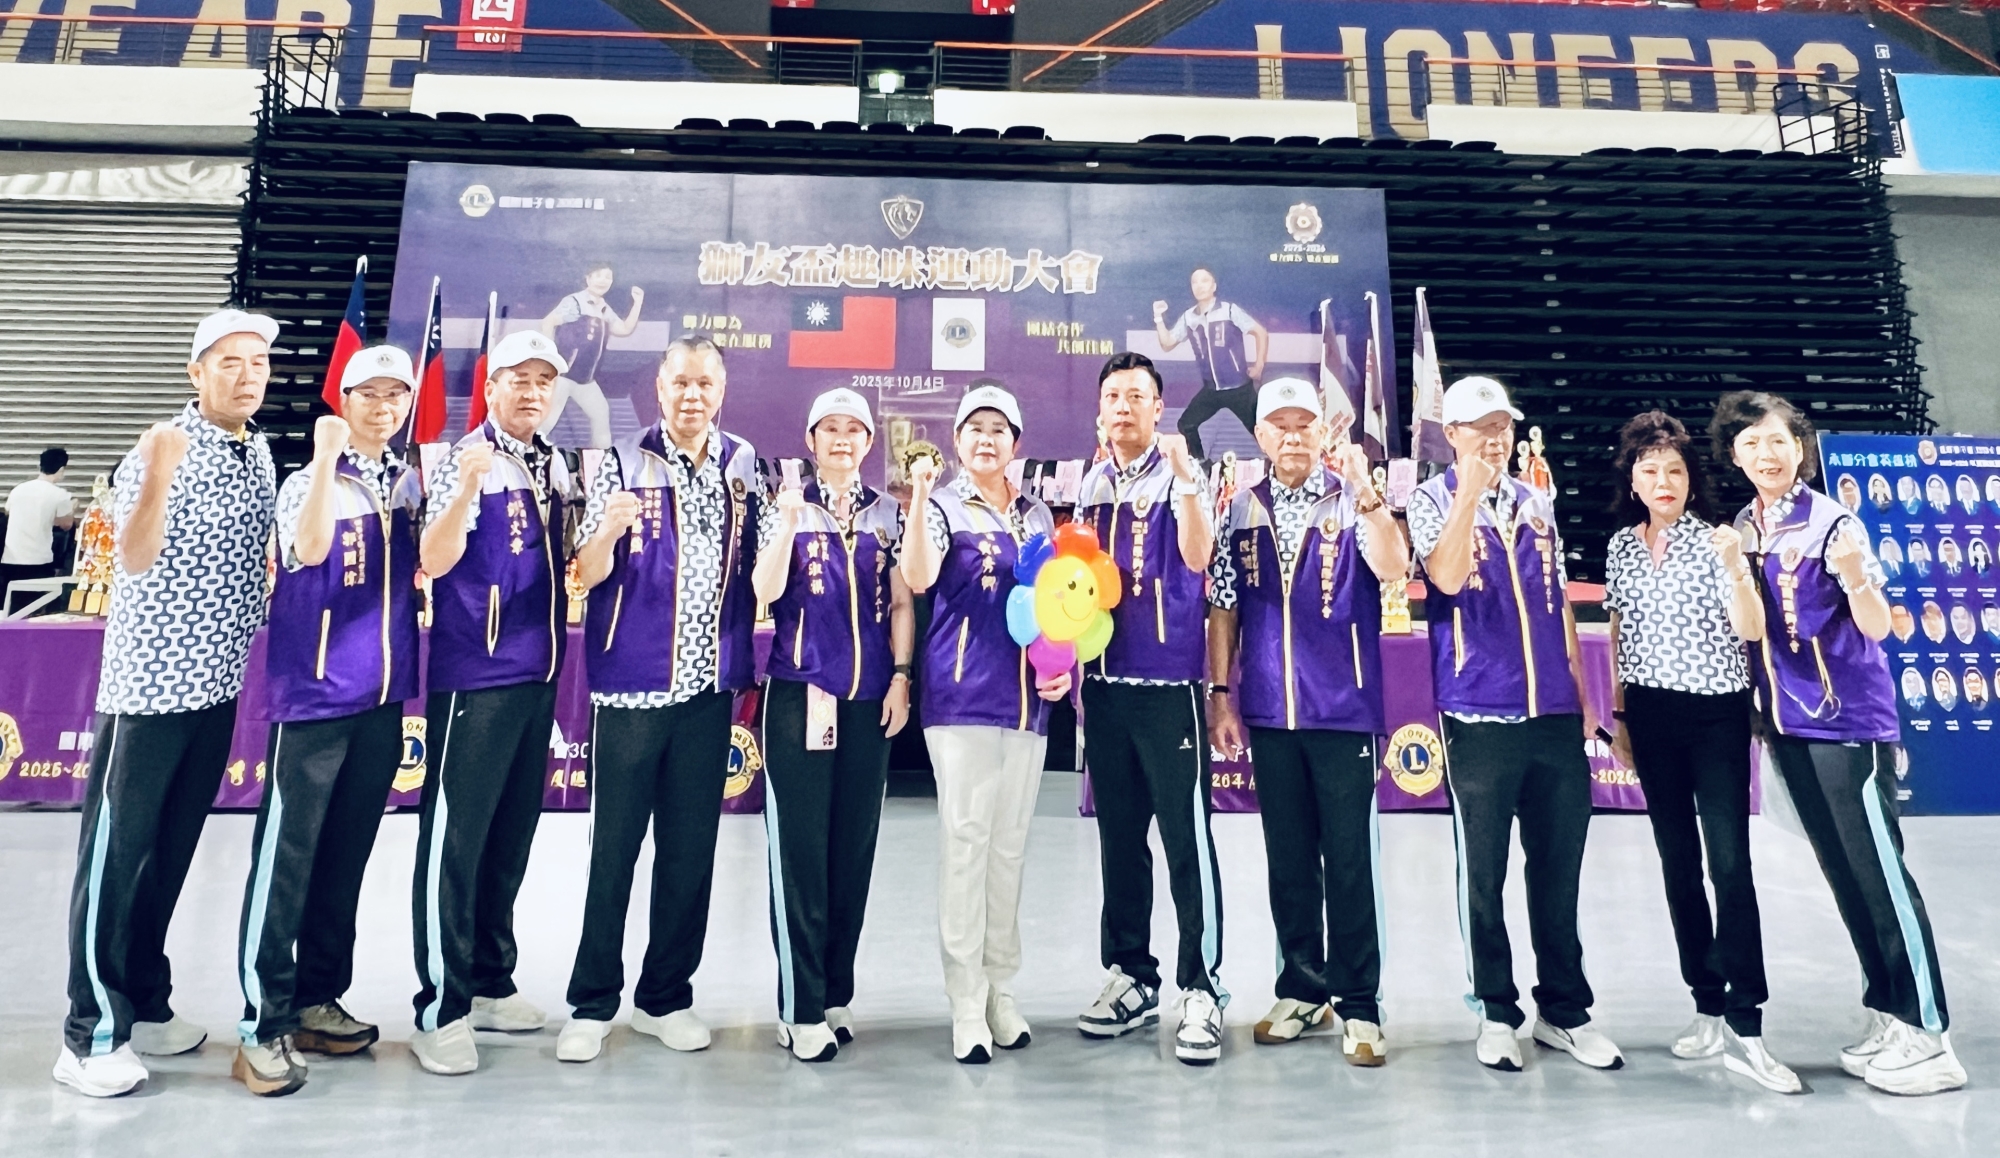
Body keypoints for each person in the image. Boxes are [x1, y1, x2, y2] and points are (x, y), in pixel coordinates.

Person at [54, 310, 279, 1098]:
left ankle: (144, 1000)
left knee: (166, 858)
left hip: (216, 687)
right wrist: (155, 476)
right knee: (115, 862)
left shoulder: (257, 450)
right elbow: (135, 556)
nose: (247, 376)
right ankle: (88, 1034)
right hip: (149, 691)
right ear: (196, 372)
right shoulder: (161, 445)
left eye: (258, 363)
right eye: (229, 362)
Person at [1714, 389, 1965, 1095]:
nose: (1767, 454)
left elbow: (1878, 626)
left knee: (1880, 874)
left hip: (1848, 724)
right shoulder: (1746, 525)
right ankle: (1889, 1011)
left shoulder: (1832, 521)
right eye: (1751, 443)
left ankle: (1930, 1035)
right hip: (1789, 726)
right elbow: (1753, 628)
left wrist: (1855, 578)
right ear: (1734, 456)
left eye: (1778, 440)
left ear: (1801, 448)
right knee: (1844, 873)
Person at [1405, 375, 1621, 1073]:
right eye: (1481, 429)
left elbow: (1557, 601)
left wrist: (1583, 693)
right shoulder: (1429, 500)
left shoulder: (1537, 501)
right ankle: (1496, 1010)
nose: (1496, 439)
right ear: (1452, 435)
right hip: (1478, 713)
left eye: (1503, 426)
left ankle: (1564, 1010)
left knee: (1558, 871)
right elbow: (1443, 578)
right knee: (1484, 874)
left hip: (1553, 713)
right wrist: (1468, 496)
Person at [555, 337, 759, 1064]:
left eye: (705, 384)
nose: (692, 395)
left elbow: (759, 564)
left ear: (721, 392)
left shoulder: (743, 464)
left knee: (688, 853)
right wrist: (608, 531)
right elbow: (582, 570)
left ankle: (664, 997)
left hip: (707, 692)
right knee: (614, 851)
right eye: (681, 383)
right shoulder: (619, 461)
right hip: (631, 689)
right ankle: (591, 1003)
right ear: (659, 388)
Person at [232, 345, 422, 1096]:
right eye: (368, 394)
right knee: (287, 862)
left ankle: (316, 998)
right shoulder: (307, 480)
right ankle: (261, 1023)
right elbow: (306, 549)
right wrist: (321, 462)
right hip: (314, 700)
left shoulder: (406, 479)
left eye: (395, 395)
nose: (382, 407)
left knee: (343, 861)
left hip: (381, 701)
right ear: (343, 401)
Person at [1205, 378, 1407, 1066]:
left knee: (1349, 863)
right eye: (1280, 426)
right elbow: (1225, 605)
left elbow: (1394, 569)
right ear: (1260, 437)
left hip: (1343, 710)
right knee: (1288, 860)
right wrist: (1222, 693)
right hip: (1269, 711)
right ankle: (1301, 988)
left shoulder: (1351, 500)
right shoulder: (1242, 508)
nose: (1293, 436)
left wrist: (1368, 494)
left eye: (1304, 424)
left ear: (1324, 432)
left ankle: (1360, 1003)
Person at [1601, 411, 1797, 1093]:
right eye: (1650, 470)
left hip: (1716, 714)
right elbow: (1620, 632)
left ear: (1691, 480)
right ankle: (1707, 1002)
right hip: (1651, 716)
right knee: (1678, 866)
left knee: (1729, 864)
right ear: (1632, 481)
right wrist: (1620, 715)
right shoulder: (1621, 548)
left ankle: (1748, 1020)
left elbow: (1751, 628)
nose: (1664, 481)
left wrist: (1737, 569)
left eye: (1675, 470)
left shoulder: (1718, 540)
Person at [410, 329, 578, 1076]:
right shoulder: (463, 457)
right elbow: (433, 559)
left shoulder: (554, 463)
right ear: (492, 386)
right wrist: (465, 489)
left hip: (538, 674)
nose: (532, 392)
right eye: (519, 379)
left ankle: (487, 980)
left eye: (544, 381)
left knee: (509, 836)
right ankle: (439, 1008)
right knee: (455, 841)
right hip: (475, 677)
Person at [901, 384, 1067, 1064]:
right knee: (966, 845)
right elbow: (917, 577)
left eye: (999, 429)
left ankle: (1001, 989)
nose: (987, 439)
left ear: (1016, 443)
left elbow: (1057, 605)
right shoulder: (944, 507)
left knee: (1009, 849)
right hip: (963, 698)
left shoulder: (1036, 515)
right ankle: (965, 1001)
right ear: (957, 441)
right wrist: (918, 496)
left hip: (1030, 705)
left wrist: (1062, 667)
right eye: (975, 428)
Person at [747, 388, 913, 1063]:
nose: (842, 439)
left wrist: (901, 675)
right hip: (800, 696)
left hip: (870, 702)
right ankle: (799, 1006)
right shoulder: (786, 505)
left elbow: (901, 602)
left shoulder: (887, 514)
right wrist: (788, 523)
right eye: (830, 429)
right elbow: (762, 592)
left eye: (854, 429)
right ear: (811, 440)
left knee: (852, 851)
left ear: (869, 442)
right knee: (800, 853)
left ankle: (833, 991)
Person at [1073, 351, 1227, 1066]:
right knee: (1120, 840)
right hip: (1104, 686)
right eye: (1114, 396)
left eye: (1137, 396)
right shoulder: (1091, 483)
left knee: (1185, 841)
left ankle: (1202, 986)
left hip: (1169, 688)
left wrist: (1187, 481)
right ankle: (1132, 973)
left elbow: (1198, 558)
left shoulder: (1182, 475)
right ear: (1101, 409)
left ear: (1159, 408)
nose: (1124, 407)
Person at [1152, 267, 1267, 461]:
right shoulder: (1189, 317)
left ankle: (1277, 467)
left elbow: (1260, 332)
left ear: (1214, 286)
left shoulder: (1229, 310)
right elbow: (1167, 344)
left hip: (1239, 389)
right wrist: (1158, 318)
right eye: (1194, 282)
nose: (1199, 286)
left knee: (1262, 430)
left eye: (1204, 280)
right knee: (1186, 424)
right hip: (1212, 390)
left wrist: (1259, 365)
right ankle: (1200, 465)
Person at [539, 262, 643, 448]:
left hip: (585, 380)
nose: (603, 281)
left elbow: (624, 329)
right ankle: (528, 453)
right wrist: (550, 359)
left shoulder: (604, 308)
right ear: (588, 279)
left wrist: (637, 303)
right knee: (548, 420)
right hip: (563, 376)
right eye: (598, 275)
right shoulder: (575, 302)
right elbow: (548, 322)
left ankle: (600, 457)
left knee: (601, 413)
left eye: (608, 277)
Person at [1, 446, 76, 598]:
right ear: (61, 469)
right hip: (38, 562)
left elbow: (8, 512)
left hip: (10, 559)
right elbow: (66, 525)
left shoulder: (18, 490)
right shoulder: (60, 495)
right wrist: (73, 506)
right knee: (32, 606)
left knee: (10, 604)